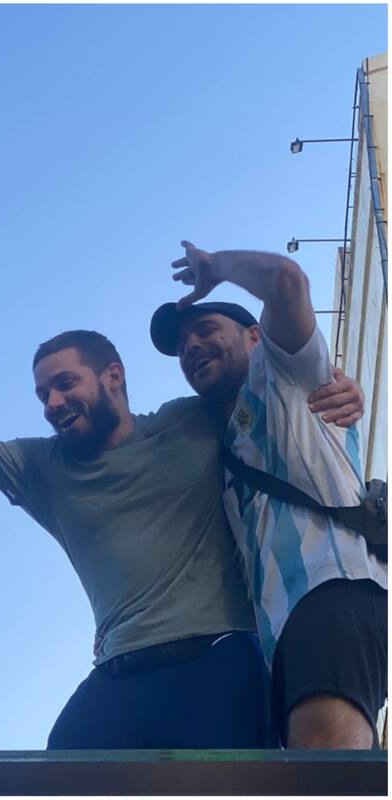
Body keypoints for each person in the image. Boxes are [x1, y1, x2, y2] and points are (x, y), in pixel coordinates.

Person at [0, 323, 365, 749]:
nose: (53, 403)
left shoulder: (190, 420)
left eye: (65, 384)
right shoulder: (42, 467)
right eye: (43, 394)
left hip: (217, 660)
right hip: (117, 674)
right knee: (61, 765)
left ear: (113, 375)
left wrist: (338, 387)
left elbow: (276, 393)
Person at [151, 241, 387, 749]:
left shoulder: (284, 374)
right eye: (182, 344)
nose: (190, 347)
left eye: (205, 330)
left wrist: (216, 268)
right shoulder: (220, 438)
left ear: (255, 336)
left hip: (330, 589)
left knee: (329, 773)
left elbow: (286, 281)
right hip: (281, 634)